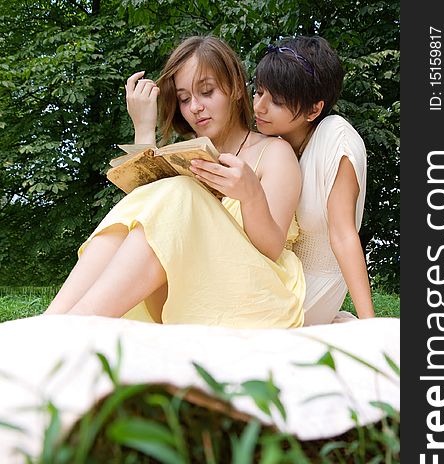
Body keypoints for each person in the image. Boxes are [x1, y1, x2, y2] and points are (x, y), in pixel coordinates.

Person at [45, 36, 305, 328]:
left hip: (259, 296)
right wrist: (143, 128)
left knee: (182, 189)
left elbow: (272, 249)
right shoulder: (187, 153)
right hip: (190, 291)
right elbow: (142, 214)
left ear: (232, 88)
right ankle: (53, 320)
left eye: (206, 92)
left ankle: (75, 325)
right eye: (184, 98)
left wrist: (251, 196)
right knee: (165, 196)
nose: (195, 107)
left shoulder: (274, 153)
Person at [251, 36, 375, 325]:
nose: (259, 107)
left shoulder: (335, 136)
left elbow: (344, 235)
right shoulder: (277, 147)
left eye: (277, 101)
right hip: (276, 277)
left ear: (313, 110)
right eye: (258, 92)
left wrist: (370, 325)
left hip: (310, 289)